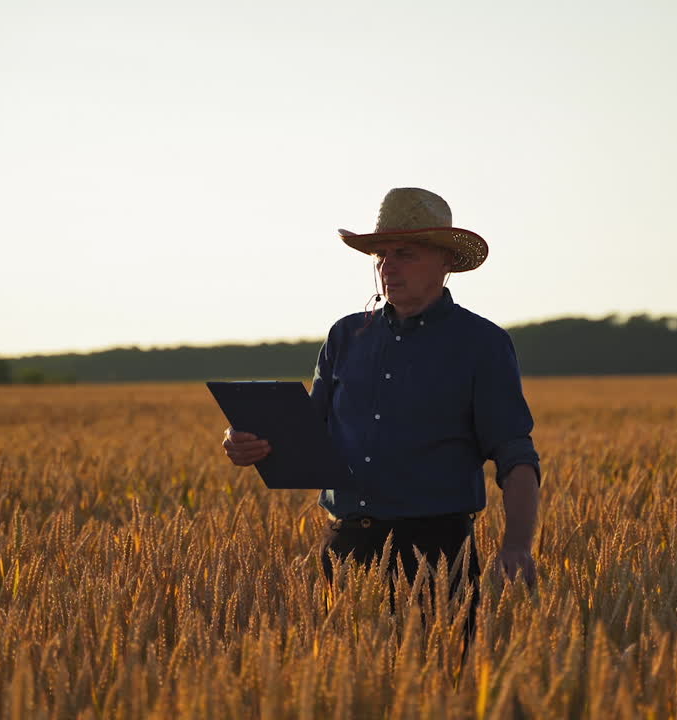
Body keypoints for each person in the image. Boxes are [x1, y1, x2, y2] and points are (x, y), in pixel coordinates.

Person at [221, 187, 541, 611]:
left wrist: (517, 544)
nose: (387, 267)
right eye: (381, 255)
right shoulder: (345, 336)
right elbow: (307, 434)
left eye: (405, 253)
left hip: (436, 553)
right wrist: (249, 443)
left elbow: (516, 453)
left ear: (445, 262)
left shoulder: (481, 343)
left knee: (442, 673)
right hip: (346, 546)